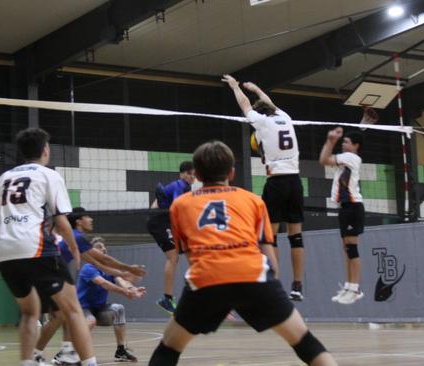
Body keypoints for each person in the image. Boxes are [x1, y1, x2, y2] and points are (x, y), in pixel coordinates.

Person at [148, 140, 337, 366]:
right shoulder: (253, 201)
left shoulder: (180, 206)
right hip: (254, 275)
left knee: (168, 349)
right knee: (305, 342)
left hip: (207, 278)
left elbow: (190, 256)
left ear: (196, 175)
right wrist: (270, 294)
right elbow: (269, 253)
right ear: (232, 172)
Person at [0, 127, 97, 366]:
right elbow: (61, 221)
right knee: (73, 310)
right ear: (45, 150)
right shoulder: (49, 175)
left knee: (29, 312)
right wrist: (75, 250)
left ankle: (28, 363)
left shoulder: (3, 178)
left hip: (4, 252)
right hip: (35, 247)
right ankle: (90, 363)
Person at [222, 74, 306, 301]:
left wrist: (234, 86)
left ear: (260, 113)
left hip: (277, 182)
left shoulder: (261, 121)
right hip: (296, 182)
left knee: (270, 237)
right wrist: (257, 88)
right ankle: (298, 285)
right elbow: (268, 102)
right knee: (296, 237)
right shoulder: (284, 116)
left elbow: (244, 104)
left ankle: (276, 283)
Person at [34, 208, 146, 365]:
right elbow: (104, 260)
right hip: (48, 273)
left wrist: (124, 275)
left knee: (64, 314)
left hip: (52, 273)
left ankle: (66, 353)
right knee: (59, 316)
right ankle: (38, 354)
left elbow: (99, 263)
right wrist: (129, 268)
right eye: (88, 217)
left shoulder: (73, 239)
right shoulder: (76, 236)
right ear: (79, 221)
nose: (91, 219)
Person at [77, 237, 146, 362]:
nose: (103, 248)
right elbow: (104, 283)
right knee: (91, 320)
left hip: (98, 310)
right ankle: (72, 351)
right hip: (81, 309)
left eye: (104, 246)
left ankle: (121, 351)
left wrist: (133, 289)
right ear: (91, 252)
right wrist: (125, 292)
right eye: (99, 246)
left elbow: (121, 281)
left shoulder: (108, 270)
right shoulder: (88, 268)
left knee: (118, 309)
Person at [319, 127, 365, 305]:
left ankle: (355, 288)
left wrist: (330, 141)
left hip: (353, 207)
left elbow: (323, 160)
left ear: (355, 146)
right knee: (347, 249)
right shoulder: (346, 160)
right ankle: (348, 286)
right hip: (346, 207)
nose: (343, 144)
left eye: (346, 142)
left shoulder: (351, 157)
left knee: (352, 250)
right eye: (343, 141)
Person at [146, 161, 196, 313]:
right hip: (159, 220)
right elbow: (176, 208)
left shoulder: (186, 188)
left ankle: (178, 297)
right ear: (181, 174)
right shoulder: (180, 186)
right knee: (173, 258)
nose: (191, 176)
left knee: (183, 256)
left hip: (164, 220)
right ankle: (167, 299)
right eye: (188, 173)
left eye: (193, 174)